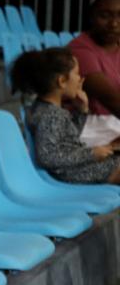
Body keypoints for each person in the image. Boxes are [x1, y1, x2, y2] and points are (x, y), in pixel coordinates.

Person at [14, 47, 120, 184]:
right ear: (62, 80)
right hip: (71, 173)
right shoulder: (50, 115)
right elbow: (48, 156)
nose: (80, 78)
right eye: (76, 74)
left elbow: (69, 137)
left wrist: (82, 110)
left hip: (72, 169)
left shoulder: (45, 109)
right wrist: (91, 153)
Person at [68, 0, 120, 146]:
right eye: (105, 16)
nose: (114, 24)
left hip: (112, 125)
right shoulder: (80, 49)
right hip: (86, 127)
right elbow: (111, 100)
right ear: (91, 17)